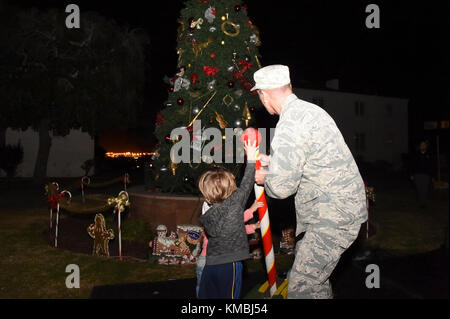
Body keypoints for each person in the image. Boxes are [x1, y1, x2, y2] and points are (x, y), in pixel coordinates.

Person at [251, 64, 367, 299]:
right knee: (311, 280)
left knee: (302, 286)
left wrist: (265, 177)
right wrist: (273, 161)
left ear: (264, 94)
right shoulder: (309, 111)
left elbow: (282, 188)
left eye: (259, 95)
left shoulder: (289, 124)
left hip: (333, 215)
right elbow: (308, 159)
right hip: (337, 210)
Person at [197, 141, 258, 299]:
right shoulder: (234, 204)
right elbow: (247, 184)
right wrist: (251, 158)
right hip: (229, 264)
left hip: (210, 264)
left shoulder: (207, 212)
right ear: (231, 188)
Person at [195, 199, 262, 298]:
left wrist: (253, 227)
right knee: (205, 292)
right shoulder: (213, 218)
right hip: (207, 261)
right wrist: (251, 210)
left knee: (210, 292)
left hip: (212, 261)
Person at [410, 140, 434, 208]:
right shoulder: (416, 155)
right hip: (417, 175)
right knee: (419, 189)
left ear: (426, 146)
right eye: (421, 145)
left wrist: (432, 176)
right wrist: (411, 174)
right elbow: (412, 165)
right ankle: (421, 203)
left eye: (424, 145)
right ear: (419, 146)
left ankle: (425, 202)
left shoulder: (429, 155)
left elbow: (432, 165)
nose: (423, 146)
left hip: (426, 175)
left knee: (425, 189)